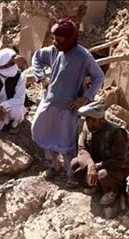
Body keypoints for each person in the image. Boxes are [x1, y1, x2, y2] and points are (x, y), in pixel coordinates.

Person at [31, 18, 105, 185]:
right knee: (41, 131)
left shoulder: (83, 56)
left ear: (70, 38)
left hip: (69, 107)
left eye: (59, 39)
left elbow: (99, 77)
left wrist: (85, 98)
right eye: (54, 38)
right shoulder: (53, 51)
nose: (55, 42)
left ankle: (71, 173)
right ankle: (53, 164)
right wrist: (41, 77)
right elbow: (37, 57)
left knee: (67, 142)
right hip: (49, 102)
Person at [71, 101, 129, 205]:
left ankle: (114, 191)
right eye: (89, 120)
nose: (91, 124)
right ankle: (93, 186)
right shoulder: (86, 127)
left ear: (102, 120)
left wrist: (96, 166)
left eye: (94, 121)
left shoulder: (116, 132)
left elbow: (119, 160)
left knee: (102, 175)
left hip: (116, 167)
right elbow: (82, 149)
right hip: (96, 162)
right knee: (75, 163)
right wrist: (90, 165)